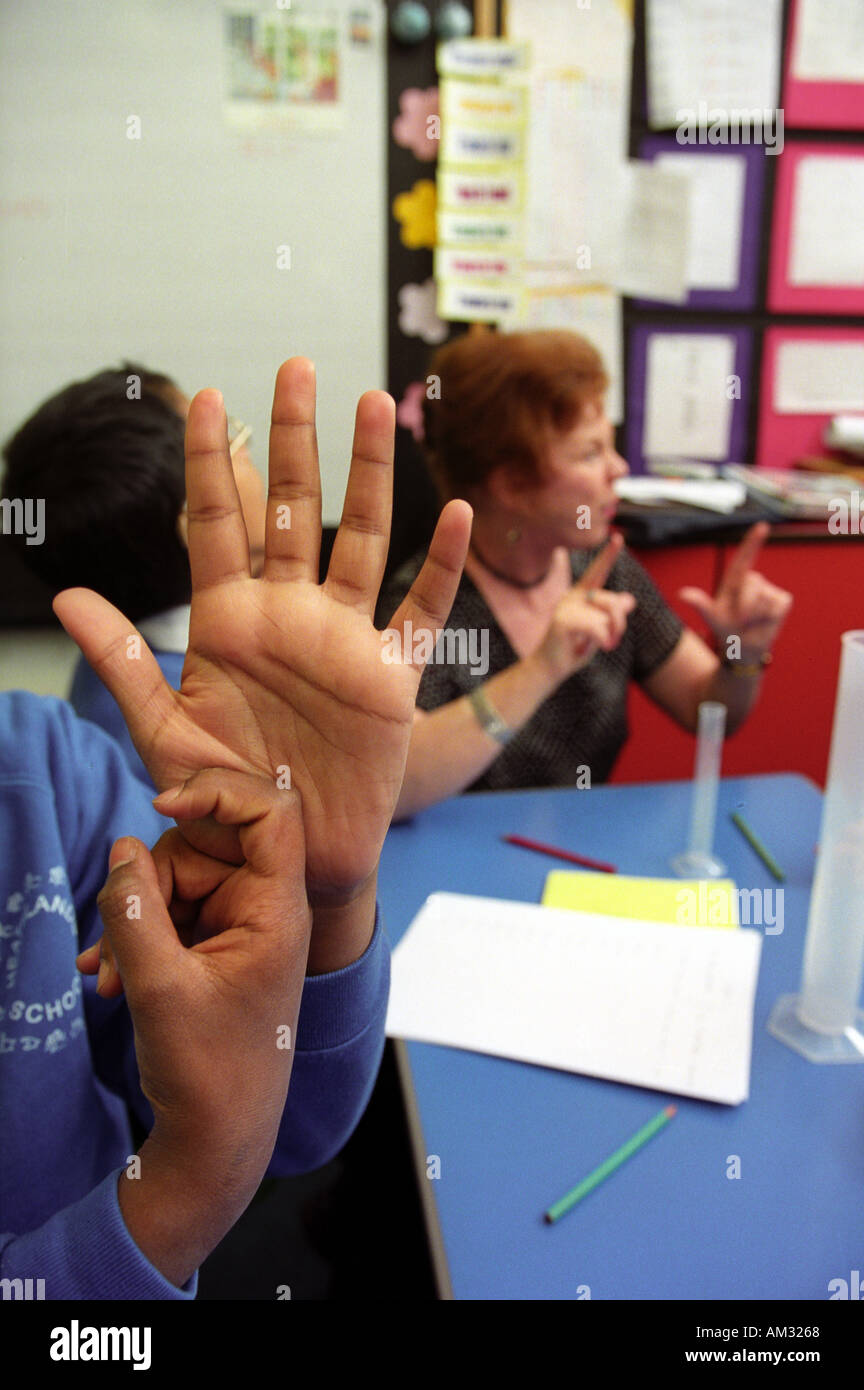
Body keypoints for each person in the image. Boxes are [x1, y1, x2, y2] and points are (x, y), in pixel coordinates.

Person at [0, 357, 472, 1298]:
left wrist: (330, 901)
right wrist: (178, 1194)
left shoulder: (50, 765)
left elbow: (280, 1121)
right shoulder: (116, 736)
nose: (248, 465)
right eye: (237, 451)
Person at [377, 330, 792, 819]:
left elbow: (707, 712)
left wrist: (743, 653)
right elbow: (395, 787)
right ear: (510, 483)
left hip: (582, 863)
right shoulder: (424, 604)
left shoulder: (606, 571)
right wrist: (544, 667)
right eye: (590, 453)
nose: (618, 467)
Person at [1, 363, 266, 785]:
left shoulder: (107, 674)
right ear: (196, 524)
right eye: (231, 439)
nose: (249, 448)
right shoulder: (218, 707)